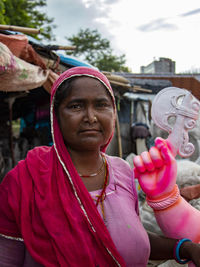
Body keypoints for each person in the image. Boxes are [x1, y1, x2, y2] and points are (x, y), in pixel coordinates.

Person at [0, 66, 199, 267]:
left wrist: (184, 247)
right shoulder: (25, 181)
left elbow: (126, 236)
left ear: (113, 113)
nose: (91, 117)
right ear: (56, 116)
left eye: (101, 105)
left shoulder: (121, 171)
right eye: (76, 106)